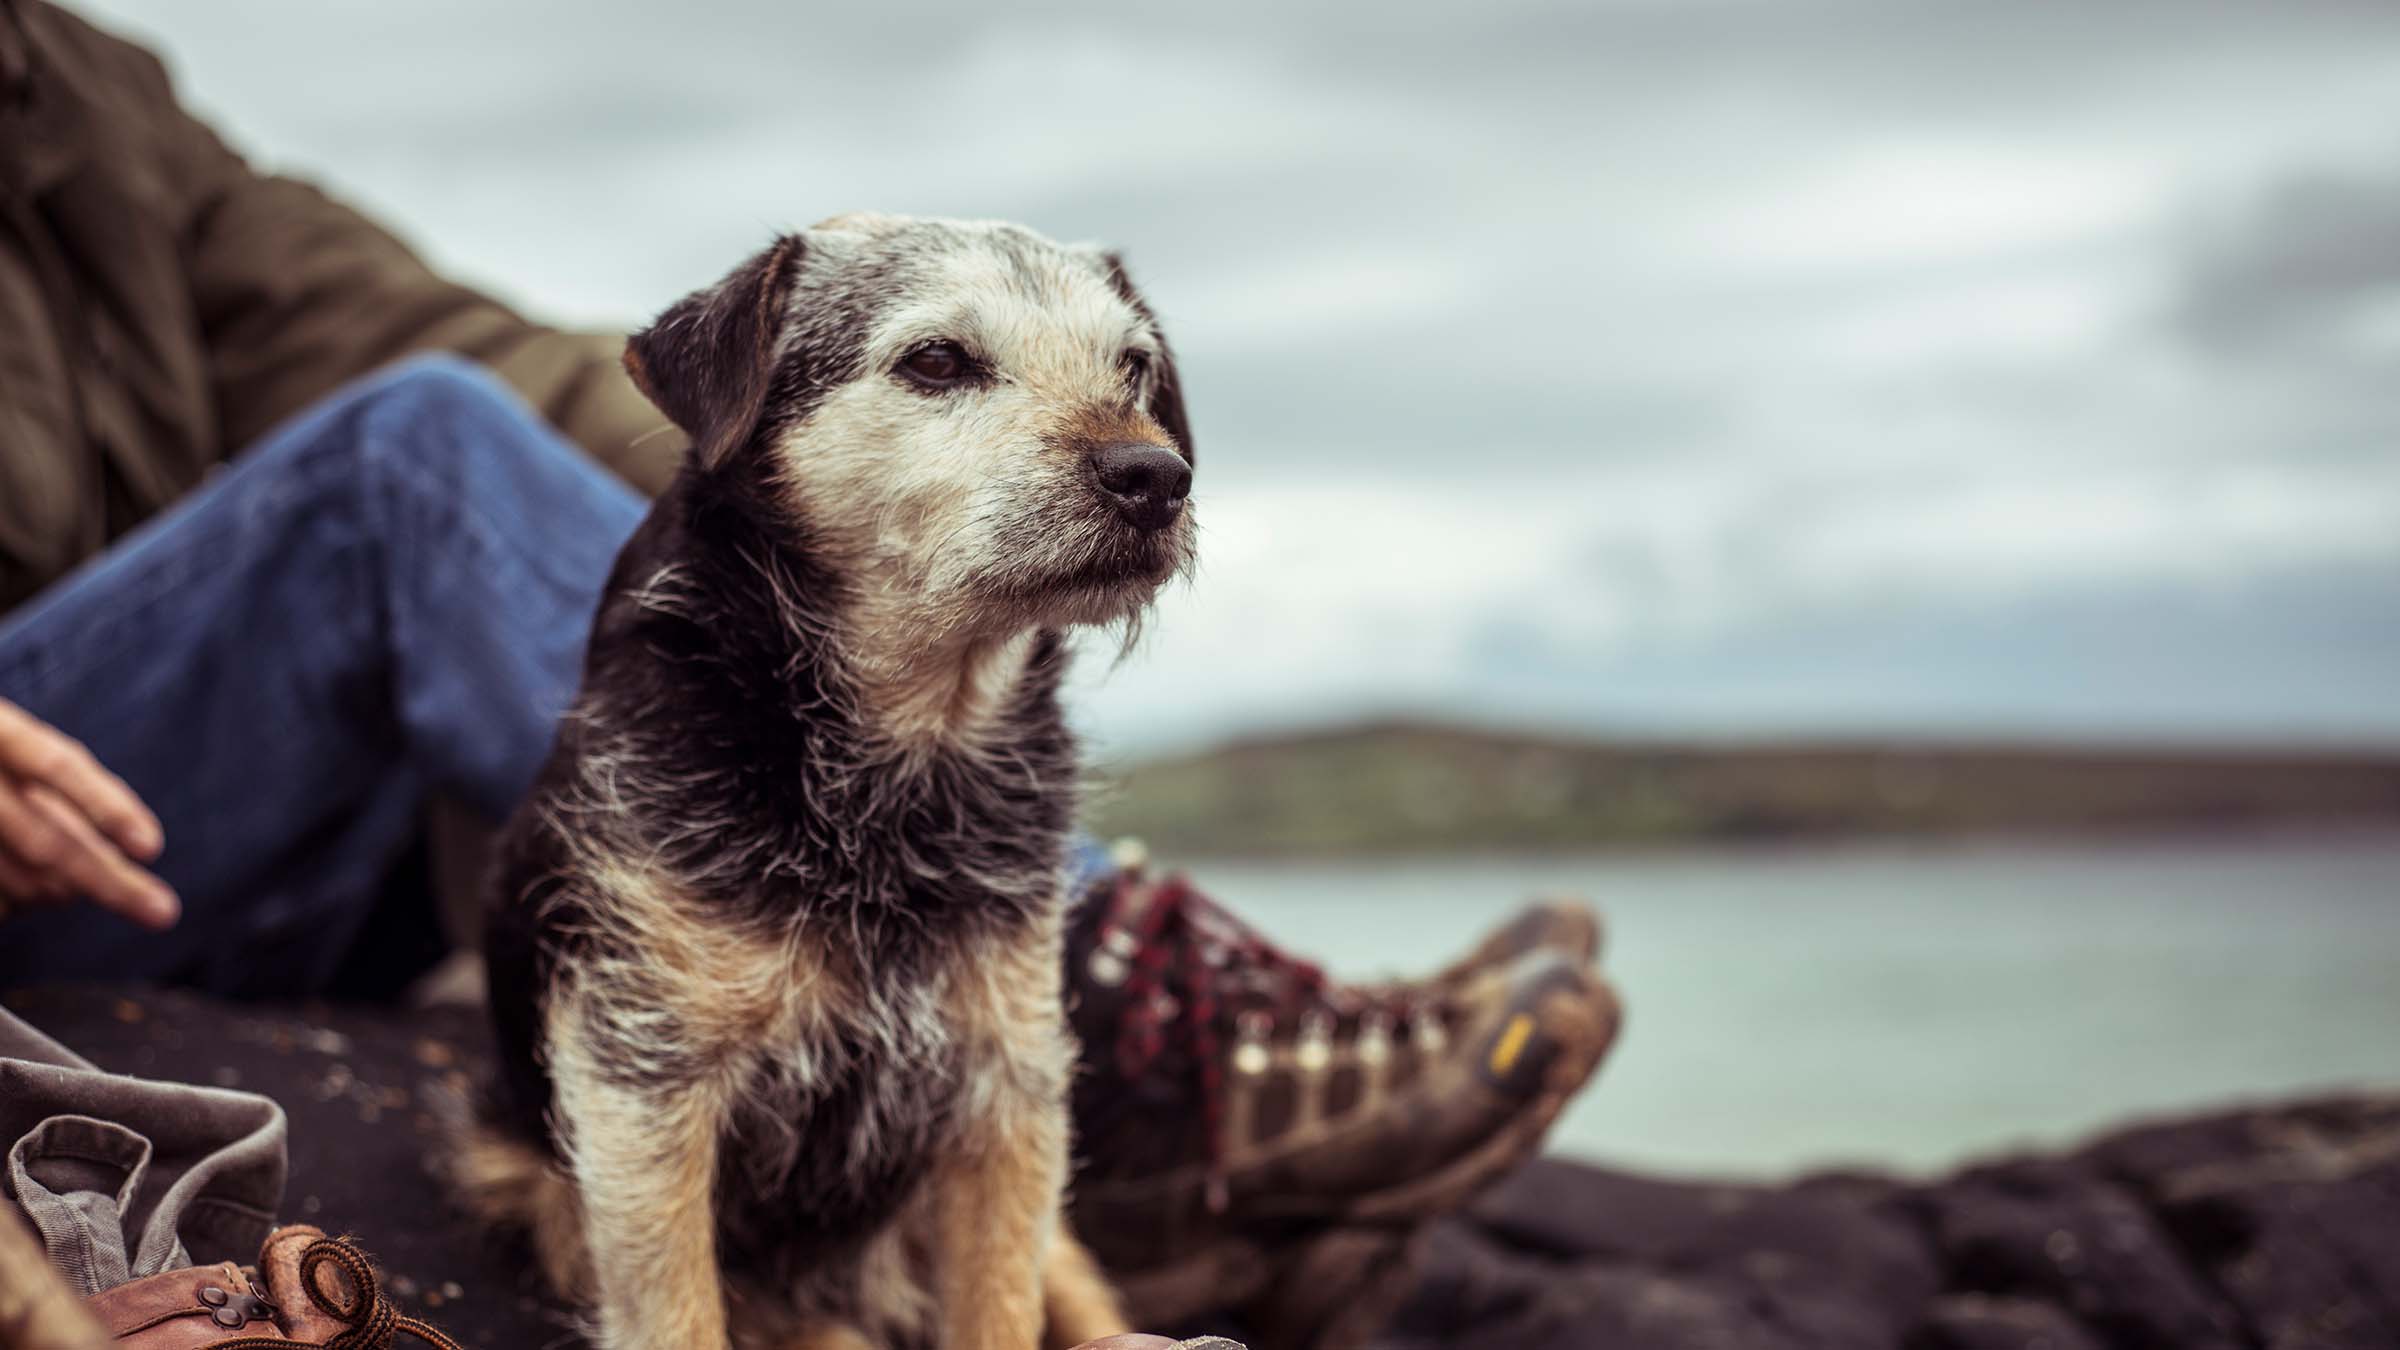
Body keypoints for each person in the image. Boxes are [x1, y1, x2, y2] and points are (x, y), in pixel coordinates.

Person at [0, 2, 1620, 1344]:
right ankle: (1162, 1043)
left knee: (448, 423)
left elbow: (440, 343)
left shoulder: (67, 78)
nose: (1141, 457)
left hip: (169, 814)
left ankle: (1095, 1055)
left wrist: (756, 402)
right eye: (941, 368)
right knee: (412, 457)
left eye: (1136, 390)